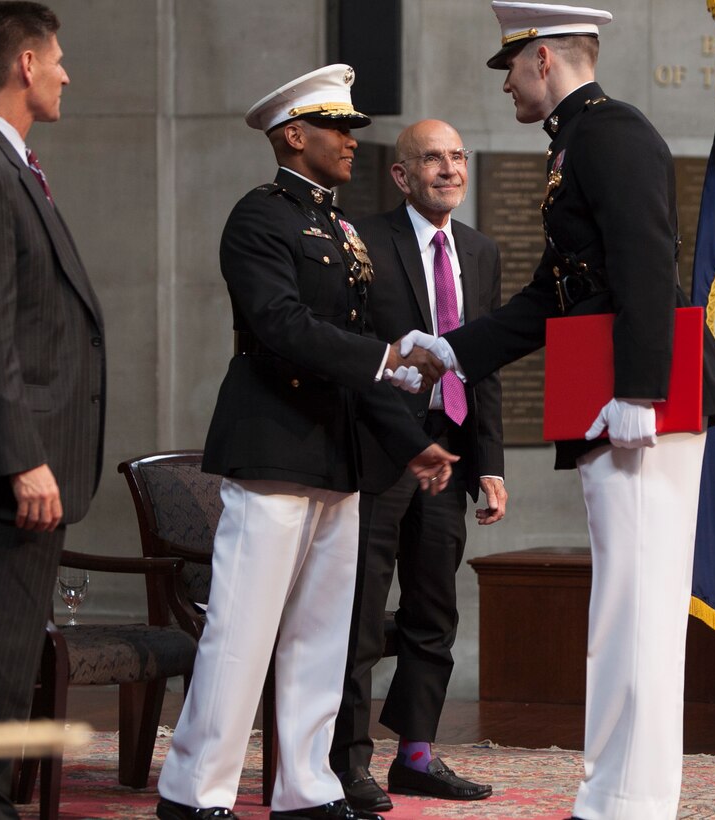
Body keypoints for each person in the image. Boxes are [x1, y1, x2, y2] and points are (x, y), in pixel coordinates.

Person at [394, 4, 715, 820]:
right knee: (624, 602)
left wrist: (639, 391)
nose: (508, 83)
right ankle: (620, 792)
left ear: (543, 59)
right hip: (615, 399)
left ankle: (630, 800)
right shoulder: (577, 139)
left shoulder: (610, 132)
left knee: (638, 605)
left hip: (636, 405)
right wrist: (452, 350)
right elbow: (553, 291)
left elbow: (643, 260)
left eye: (511, 68)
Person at [154, 65, 458, 820]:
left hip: (338, 451)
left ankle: (306, 787)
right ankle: (195, 791)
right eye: (338, 130)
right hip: (274, 442)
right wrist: (384, 359)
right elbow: (279, 325)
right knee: (243, 628)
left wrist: (408, 438)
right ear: (295, 136)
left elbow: (356, 351)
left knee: (321, 636)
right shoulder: (260, 218)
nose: (351, 143)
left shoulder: (339, 227)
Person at [330, 120, 506, 811]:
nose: (448, 169)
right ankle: (345, 763)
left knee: (434, 606)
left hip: (452, 451)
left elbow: (482, 364)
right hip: (379, 450)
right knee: (360, 615)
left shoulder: (480, 251)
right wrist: (406, 440)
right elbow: (354, 354)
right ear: (401, 175)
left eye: (457, 156)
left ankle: (417, 753)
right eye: (431, 158)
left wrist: (488, 463)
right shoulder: (362, 241)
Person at [0, 3, 106, 818]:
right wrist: (22, 457)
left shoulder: (8, 163)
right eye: (56, 59)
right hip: (6, 475)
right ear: (23, 62)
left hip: (24, 468)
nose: (65, 72)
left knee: (2, 661)